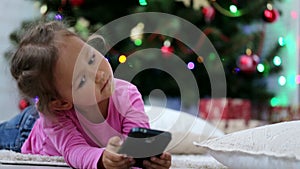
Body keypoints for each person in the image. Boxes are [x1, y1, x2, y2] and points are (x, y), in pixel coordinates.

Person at [1, 20, 171, 169]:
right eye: (82, 79)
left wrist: (151, 161)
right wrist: (102, 160)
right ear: (61, 103)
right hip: (25, 132)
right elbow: (74, 151)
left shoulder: (127, 96)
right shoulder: (55, 114)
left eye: (91, 59)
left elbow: (135, 145)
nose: (98, 74)